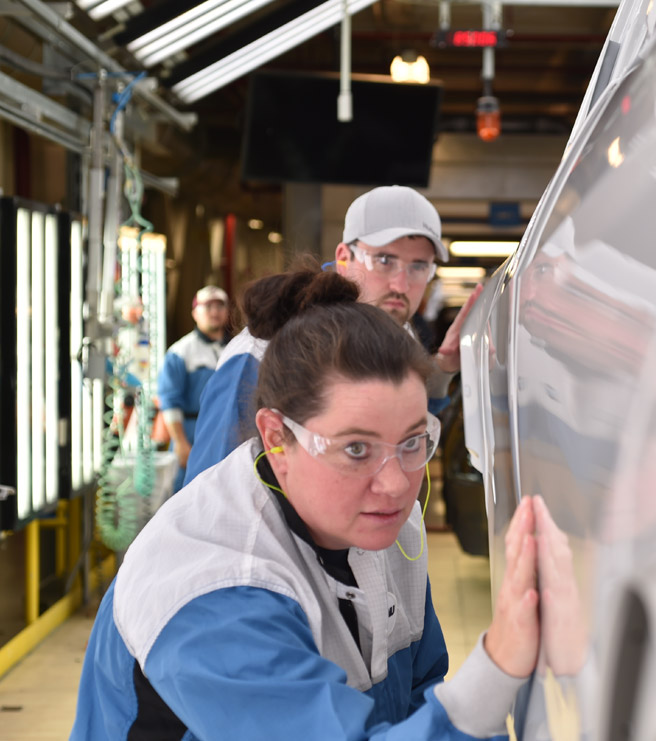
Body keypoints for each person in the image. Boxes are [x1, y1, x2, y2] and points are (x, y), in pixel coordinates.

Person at [72, 271, 539, 740]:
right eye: (356, 449)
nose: (397, 485)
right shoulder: (216, 587)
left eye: (414, 441)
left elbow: (420, 693)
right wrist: (497, 667)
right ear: (277, 438)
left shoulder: (383, 527)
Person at [183, 185, 480, 488]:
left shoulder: (397, 333)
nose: (401, 285)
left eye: (419, 266)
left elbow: (401, 426)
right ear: (343, 258)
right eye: (384, 260)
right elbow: (207, 489)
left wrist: (444, 365)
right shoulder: (264, 350)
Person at [156, 285, 229, 492]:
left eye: (220, 306)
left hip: (226, 433)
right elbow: (169, 402)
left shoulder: (235, 349)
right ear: (195, 313)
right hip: (192, 435)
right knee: (187, 494)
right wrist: (181, 443)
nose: (214, 312)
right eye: (208, 306)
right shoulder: (180, 352)